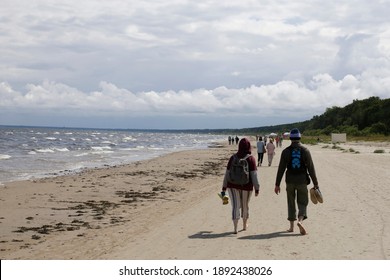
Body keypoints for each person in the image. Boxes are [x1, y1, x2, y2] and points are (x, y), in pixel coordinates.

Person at [274, 128, 319, 235]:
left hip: (289, 180)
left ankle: (291, 227)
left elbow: (281, 169)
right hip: (302, 180)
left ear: (290, 138)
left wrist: (277, 184)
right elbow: (311, 169)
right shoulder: (305, 151)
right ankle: (300, 221)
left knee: (291, 202)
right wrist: (316, 184)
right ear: (299, 138)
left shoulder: (286, 151)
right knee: (303, 202)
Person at [221, 138, 260, 234]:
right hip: (247, 186)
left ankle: (235, 228)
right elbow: (254, 175)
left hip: (232, 185)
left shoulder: (233, 158)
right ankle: (244, 226)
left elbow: (227, 173)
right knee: (245, 206)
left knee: (235, 206)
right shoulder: (251, 159)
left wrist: (224, 187)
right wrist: (257, 188)